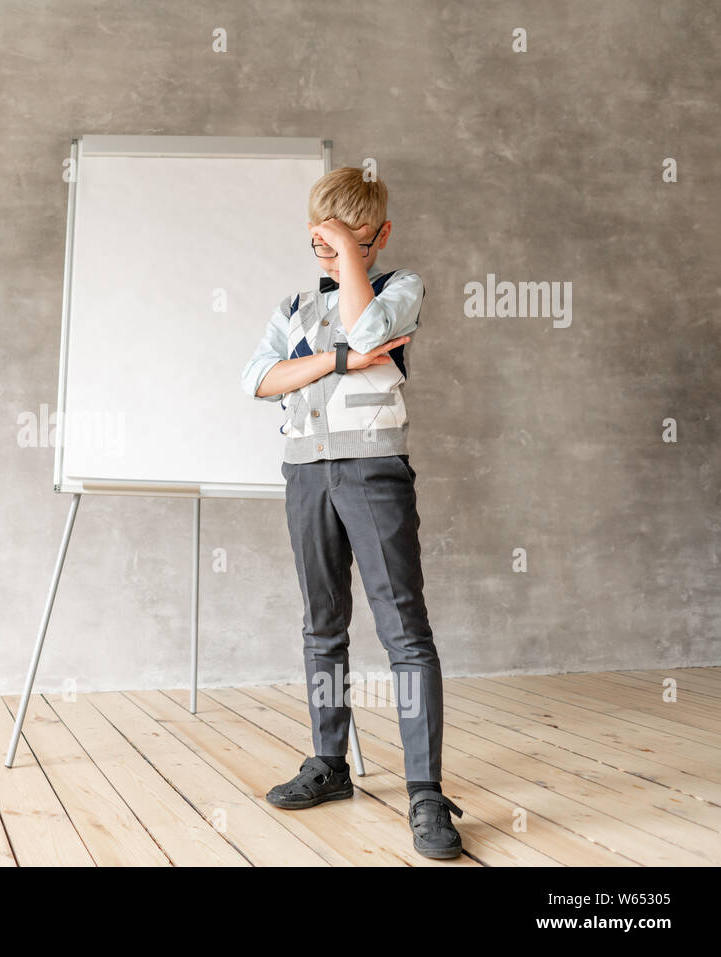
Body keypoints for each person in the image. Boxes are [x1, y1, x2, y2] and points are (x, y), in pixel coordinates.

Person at [239, 166, 464, 859]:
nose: (331, 258)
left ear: (380, 237)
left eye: (346, 242)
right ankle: (330, 764)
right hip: (305, 473)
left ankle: (425, 791)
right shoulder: (292, 307)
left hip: (372, 471)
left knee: (403, 626)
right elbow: (257, 379)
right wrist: (340, 357)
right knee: (322, 624)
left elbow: (370, 322)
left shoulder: (401, 288)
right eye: (321, 245)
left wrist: (350, 274)